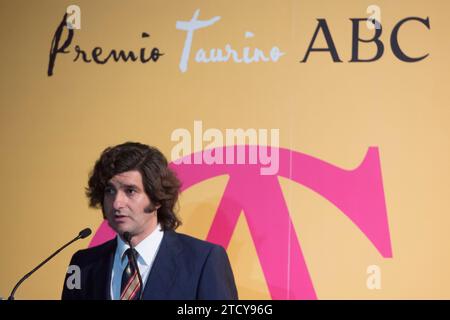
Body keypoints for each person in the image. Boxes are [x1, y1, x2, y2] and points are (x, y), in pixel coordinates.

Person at [61, 142, 238, 300]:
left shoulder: (203, 260)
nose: (117, 203)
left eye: (130, 191)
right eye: (110, 190)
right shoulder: (83, 264)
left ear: (157, 197)